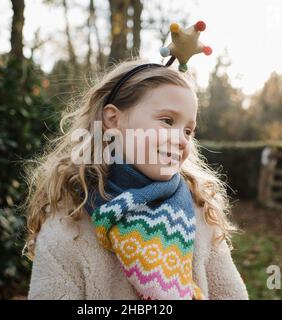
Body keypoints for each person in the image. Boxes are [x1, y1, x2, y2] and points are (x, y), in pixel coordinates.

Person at [24, 59, 249, 300]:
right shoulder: (68, 226)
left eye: (188, 130)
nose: (183, 140)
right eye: (167, 121)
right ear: (113, 119)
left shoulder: (198, 213)